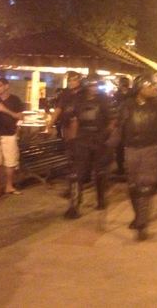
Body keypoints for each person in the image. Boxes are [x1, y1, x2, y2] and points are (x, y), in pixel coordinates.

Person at [108, 72, 157, 241]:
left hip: (151, 149)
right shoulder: (126, 106)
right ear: (140, 88)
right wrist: (109, 147)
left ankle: (142, 223)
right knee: (133, 186)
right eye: (151, 86)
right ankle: (138, 216)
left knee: (145, 185)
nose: (155, 88)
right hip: (131, 150)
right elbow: (119, 129)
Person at [64, 74, 115, 219]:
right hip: (82, 139)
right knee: (76, 173)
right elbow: (73, 120)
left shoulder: (104, 100)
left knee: (100, 172)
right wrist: (72, 140)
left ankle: (101, 199)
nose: (95, 88)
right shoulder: (78, 100)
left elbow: (112, 121)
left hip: (100, 139)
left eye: (96, 85)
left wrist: (105, 135)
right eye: (92, 85)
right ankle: (74, 205)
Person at [0, 78, 25, 197]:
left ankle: (9, 186)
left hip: (9, 133)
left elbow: (20, 116)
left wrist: (5, 110)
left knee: (10, 161)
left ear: (6, 86)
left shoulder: (15, 100)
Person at [112, 76, 132, 177]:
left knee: (126, 147)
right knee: (120, 148)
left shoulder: (131, 95)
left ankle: (125, 168)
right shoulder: (118, 95)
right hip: (121, 124)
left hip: (129, 124)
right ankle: (121, 168)